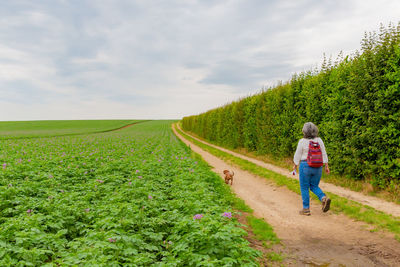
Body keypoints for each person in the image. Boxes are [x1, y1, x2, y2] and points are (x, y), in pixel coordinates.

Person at [293, 122, 331, 216]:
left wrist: (295, 165)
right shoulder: (319, 140)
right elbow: (324, 153)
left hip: (305, 165)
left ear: (304, 131)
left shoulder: (302, 141)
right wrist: (326, 165)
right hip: (318, 166)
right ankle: (323, 197)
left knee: (304, 187)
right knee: (314, 186)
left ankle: (306, 209)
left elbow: (297, 155)